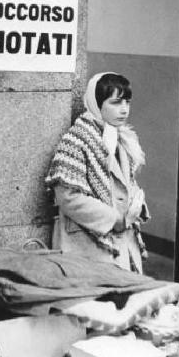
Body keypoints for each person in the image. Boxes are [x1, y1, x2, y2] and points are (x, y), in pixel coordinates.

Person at [46, 72, 150, 273]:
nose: (124, 110)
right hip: (87, 242)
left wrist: (137, 206)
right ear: (96, 103)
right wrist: (114, 220)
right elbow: (68, 196)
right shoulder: (76, 140)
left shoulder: (122, 139)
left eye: (127, 102)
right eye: (116, 103)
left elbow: (126, 185)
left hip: (120, 241)